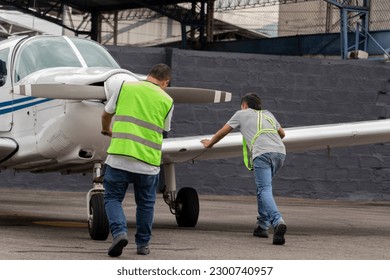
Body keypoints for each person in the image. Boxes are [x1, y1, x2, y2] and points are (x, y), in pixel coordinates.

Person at [101, 63, 173, 257]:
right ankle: (143, 245)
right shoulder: (168, 100)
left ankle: (119, 233)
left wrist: (107, 129)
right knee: (146, 204)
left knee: (112, 198)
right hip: (148, 162)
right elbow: (165, 128)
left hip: (119, 156)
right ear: (165, 82)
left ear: (149, 75)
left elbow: (107, 113)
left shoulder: (125, 86)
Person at [201, 93, 287, 245]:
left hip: (262, 153)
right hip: (280, 153)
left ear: (245, 105)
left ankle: (277, 221)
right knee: (263, 189)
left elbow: (224, 131)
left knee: (264, 189)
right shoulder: (268, 114)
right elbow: (282, 134)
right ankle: (262, 226)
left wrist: (210, 143)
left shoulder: (241, 114)